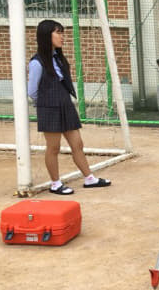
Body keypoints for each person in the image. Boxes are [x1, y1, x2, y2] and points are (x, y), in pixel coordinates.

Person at [27, 19, 111, 194]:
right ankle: (55, 183)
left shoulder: (58, 58)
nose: (62, 37)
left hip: (65, 105)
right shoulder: (37, 62)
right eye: (58, 32)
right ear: (46, 36)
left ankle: (89, 178)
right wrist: (47, 103)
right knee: (54, 147)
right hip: (49, 108)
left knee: (77, 143)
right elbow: (32, 91)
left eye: (62, 32)